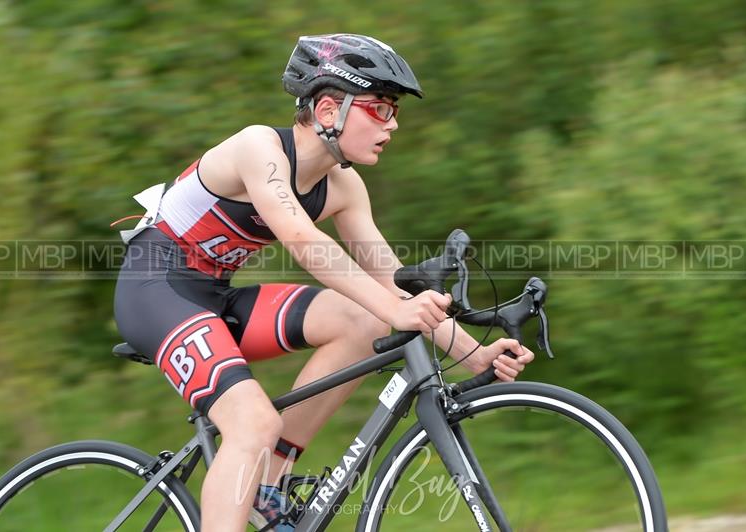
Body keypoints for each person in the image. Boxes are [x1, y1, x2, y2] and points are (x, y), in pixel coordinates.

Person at [113, 33, 535, 532]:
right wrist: (396, 308)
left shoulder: (343, 186)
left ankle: (269, 475)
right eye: (380, 108)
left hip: (213, 295)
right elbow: (299, 236)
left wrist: (470, 353)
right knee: (251, 422)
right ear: (330, 108)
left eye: (393, 111)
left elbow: (390, 282)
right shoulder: (258, 148)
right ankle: (254, 458)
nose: (393, 124)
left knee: (364, 318)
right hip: (155, 288)